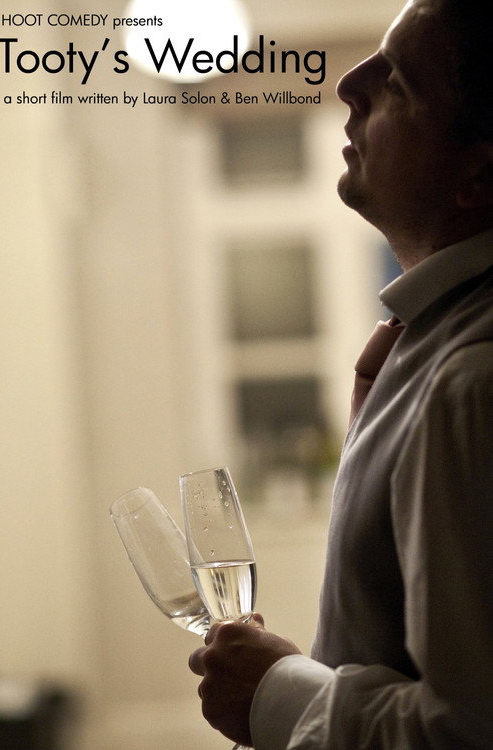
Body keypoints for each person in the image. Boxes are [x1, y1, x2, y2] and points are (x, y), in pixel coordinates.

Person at [189, 0, 493, 747]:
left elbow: (466, 730)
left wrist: (275, 693)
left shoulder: (471, 381)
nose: (348, 85)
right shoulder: (430, 346)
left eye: (398, 84)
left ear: (479, 175)